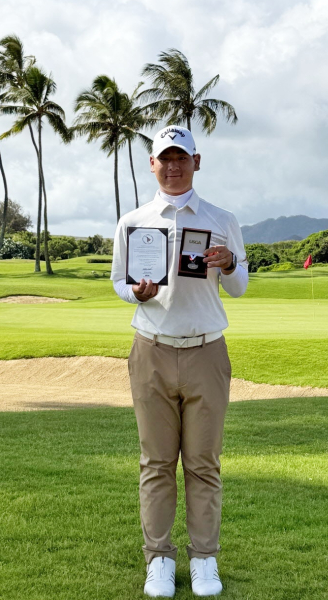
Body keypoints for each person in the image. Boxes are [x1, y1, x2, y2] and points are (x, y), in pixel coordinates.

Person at [111, 124, 249, 597]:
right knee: (156, 462)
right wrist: (135, 292)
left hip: (207, 351)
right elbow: (119, 281)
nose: (173, 166)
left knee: (203, 463)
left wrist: (228, 263)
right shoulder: (133, 221)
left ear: (197, 162)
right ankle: (159, 560)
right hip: (151, 349)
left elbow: (239, 287)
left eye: (181, 158)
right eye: (165, 159)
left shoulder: (221, 219)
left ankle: (205, 559)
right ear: (152, 164)